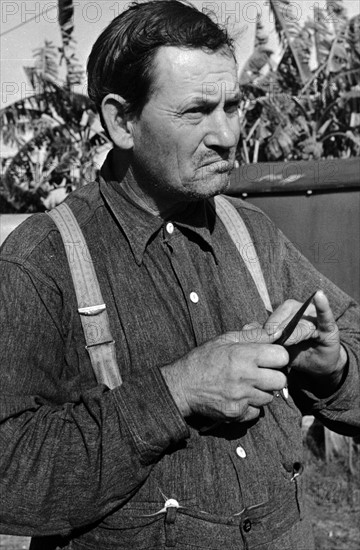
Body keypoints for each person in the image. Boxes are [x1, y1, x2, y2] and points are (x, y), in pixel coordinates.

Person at [0, 2, 359, 549]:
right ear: (122, 121)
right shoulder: (41, 259)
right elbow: (10, 474)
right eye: (196, 112)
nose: (225, 134)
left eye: (232, 106)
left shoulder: (253, 232)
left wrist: (332, 370)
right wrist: (176, 392)